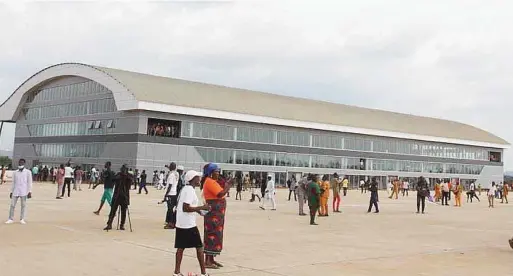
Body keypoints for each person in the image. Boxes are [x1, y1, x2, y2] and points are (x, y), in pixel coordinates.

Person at [174, 170, 210, 276]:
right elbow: (186, 208)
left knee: (180, 248)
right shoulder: (189, 190)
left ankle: (176, 272)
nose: (200, 179)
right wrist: (202, 207)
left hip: (181, 223)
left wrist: (201, 211)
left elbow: (190, 207)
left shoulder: (186, 189)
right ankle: (203, 273)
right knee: (199, 247)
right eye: (198, 177)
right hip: (188, 225)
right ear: (192, 179)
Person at [202, 163, 231, 269]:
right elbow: (220, 194)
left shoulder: (213, 182)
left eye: (219, 171)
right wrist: (228, 186)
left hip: (217, 215)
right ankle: (208, 261)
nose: (218, 173)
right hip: (213, 214)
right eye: (216, 171)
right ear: (210, 173)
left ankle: (211, 259)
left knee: (215, 235)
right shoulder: (209, 182)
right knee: (211, 234)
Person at [104, 164, 133, 231]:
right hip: (117, 195)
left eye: (124, 169)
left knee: (123, 212)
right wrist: (120, 176)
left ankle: (122, 225)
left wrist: (125, 176)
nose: (123, 170)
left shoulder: (129, 176)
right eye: (122, 169)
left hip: (125, 196)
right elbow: (113, 179)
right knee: (113, 210)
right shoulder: (118, 175)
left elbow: (131, 180)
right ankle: (109, 224)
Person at [5, 159, 32, 224]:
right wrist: (11, 191)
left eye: (22, 162)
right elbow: (13, 182)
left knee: (23, 205)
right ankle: (10, 219)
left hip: (24, 191)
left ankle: (22, 219)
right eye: (19, 162)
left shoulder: (28, 172)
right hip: (15, 191)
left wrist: (29, 191)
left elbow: (29, 182)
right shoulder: (15, 172)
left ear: (24, 163)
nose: (20, 164)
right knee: (12, 205)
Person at [163, 163, 180, 229]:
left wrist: (166, 194)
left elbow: (170, 185)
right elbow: (172, 170)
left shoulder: (171, 175)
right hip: (174, 193)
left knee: (170, 209)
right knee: (171, 208)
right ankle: (170, 221)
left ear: (171, 167)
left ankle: (171, 223)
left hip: (170, 193)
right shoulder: (176, 174)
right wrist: (168, 167)